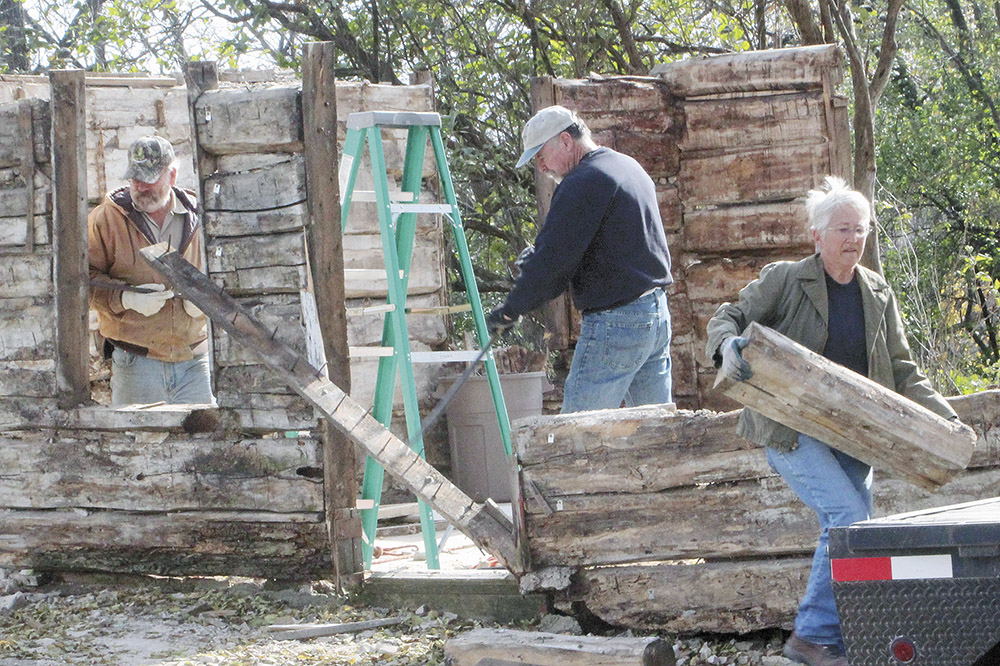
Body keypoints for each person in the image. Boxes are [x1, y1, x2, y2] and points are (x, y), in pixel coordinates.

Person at [705, 176, 960, 666]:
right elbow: (728, 316)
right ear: (818, 236)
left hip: (855, 433)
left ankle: (838, 639)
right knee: (849, 521)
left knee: (853, 534)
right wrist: (726, 347)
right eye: (843, 229)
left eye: (861, 230)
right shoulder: (786, 278)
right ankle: (811, 638)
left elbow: (903, 370)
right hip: (790, 427)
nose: (854, 239)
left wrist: (946, 419)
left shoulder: (878, 292)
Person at [487, 105, 673, 413]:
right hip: (656, 315)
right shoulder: (626, 166)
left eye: (540, 155)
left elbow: (553, 267)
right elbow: (603, 243)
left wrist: (510, 310)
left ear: (565, 140)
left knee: (578, 433)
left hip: (617, 323)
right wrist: (539, 258)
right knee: (658, 429)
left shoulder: (583, 182)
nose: (541, 167)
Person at [88, 135, 214, 406]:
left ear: (172, 175)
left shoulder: (203, 216)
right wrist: (124, 299)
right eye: (135, 178)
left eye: (149, 177)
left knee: (205, 445)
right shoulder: (105, 219)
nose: (140, 186)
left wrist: (206, 303)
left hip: (195, 361)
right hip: (136, 362)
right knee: (137, 445)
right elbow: (82, 281)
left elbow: (229, 274)